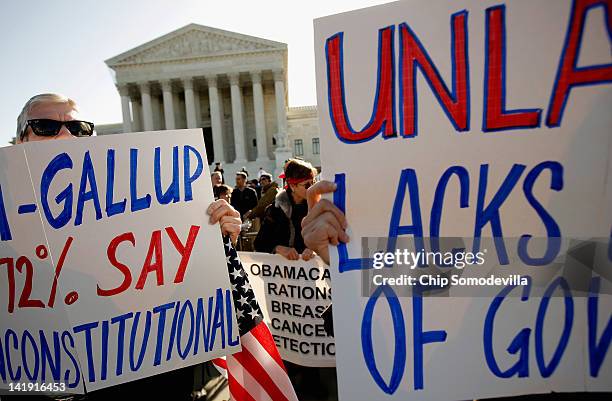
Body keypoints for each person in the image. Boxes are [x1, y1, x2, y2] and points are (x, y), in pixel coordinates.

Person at [13, 93, 243, 400]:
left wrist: (216, 244)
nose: (66, 135)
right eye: (44, 126)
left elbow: (190, 304)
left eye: (79, 128)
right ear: (19, 144)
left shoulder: (145, 209)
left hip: (149, 381)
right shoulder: (9, 228)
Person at [254, 159, 316, 261]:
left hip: (311, 271)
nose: (311, 188)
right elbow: (260, 243)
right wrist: (278, 248)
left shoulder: (317, 206)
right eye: (307, 185)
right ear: (292, 186)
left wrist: (315, 249)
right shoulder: (276, 209)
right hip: (284, 272)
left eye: (313, 182)